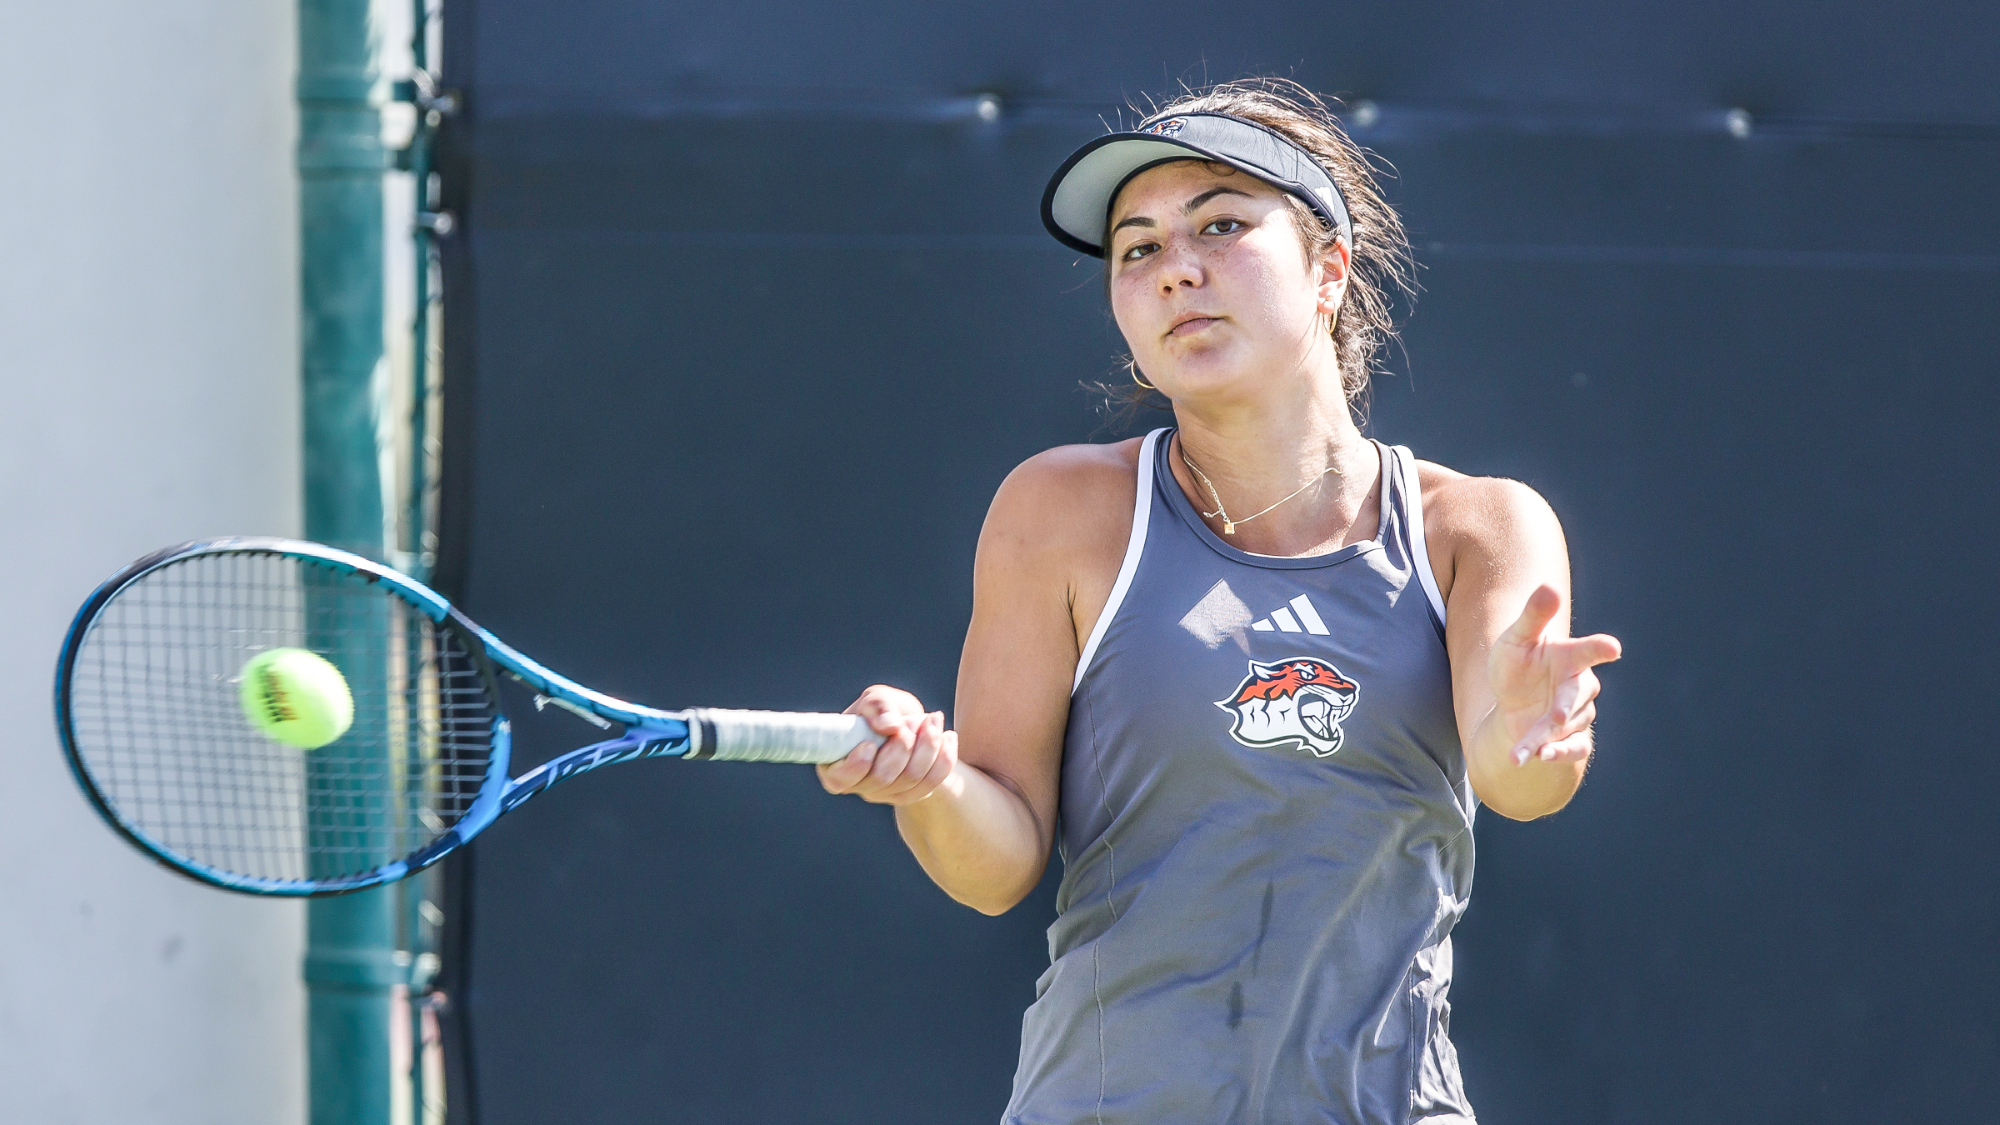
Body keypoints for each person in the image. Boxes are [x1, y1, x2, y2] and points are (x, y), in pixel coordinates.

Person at [818, 77, 1622, 1125]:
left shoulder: (1478, 529)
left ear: (1327, 269)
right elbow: (994, 859)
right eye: (1136, 249)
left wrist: (1533, 738)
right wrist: (924, 785)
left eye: (1221, 225)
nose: (1175, 270)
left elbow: (1516, 782)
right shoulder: (1056, 511)